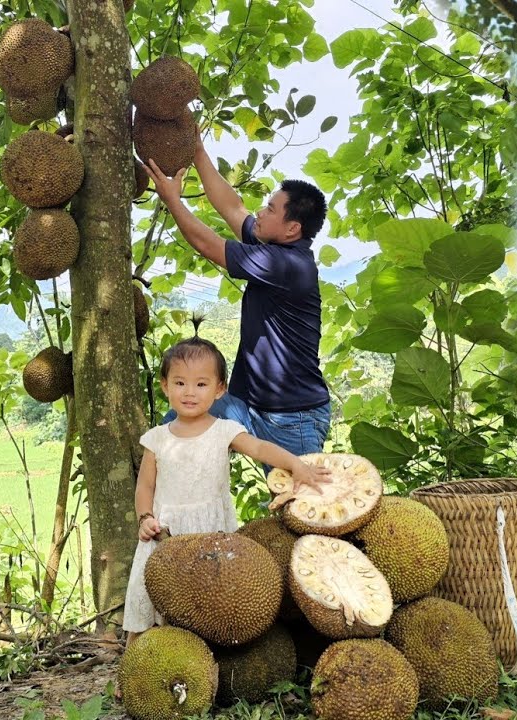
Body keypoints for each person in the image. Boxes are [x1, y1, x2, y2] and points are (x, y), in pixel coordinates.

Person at [122, 333, 331, 647]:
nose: (189, 392)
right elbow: (145, 486)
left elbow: (260, 448)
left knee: (212, 603)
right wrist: (144, 518)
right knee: (147, 596)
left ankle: (205, 664)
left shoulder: (225, 431)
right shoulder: (157, 439)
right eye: (180, 383)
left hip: (212, 532)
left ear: (220, 389)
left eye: (201, 384)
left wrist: (296, 465)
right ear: (165, 386)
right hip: (164, 532)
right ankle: (135, 666)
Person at [144, 141, 331, 457]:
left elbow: (210, 245)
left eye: (270, 209)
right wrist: (198, 151)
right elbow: (232, 207)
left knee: (297, 504)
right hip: (246, 405)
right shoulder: (273, 247)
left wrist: (173, 201)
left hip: (294, 418)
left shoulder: (289, 265)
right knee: (170, 436)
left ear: (292, 229)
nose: (260, 211)